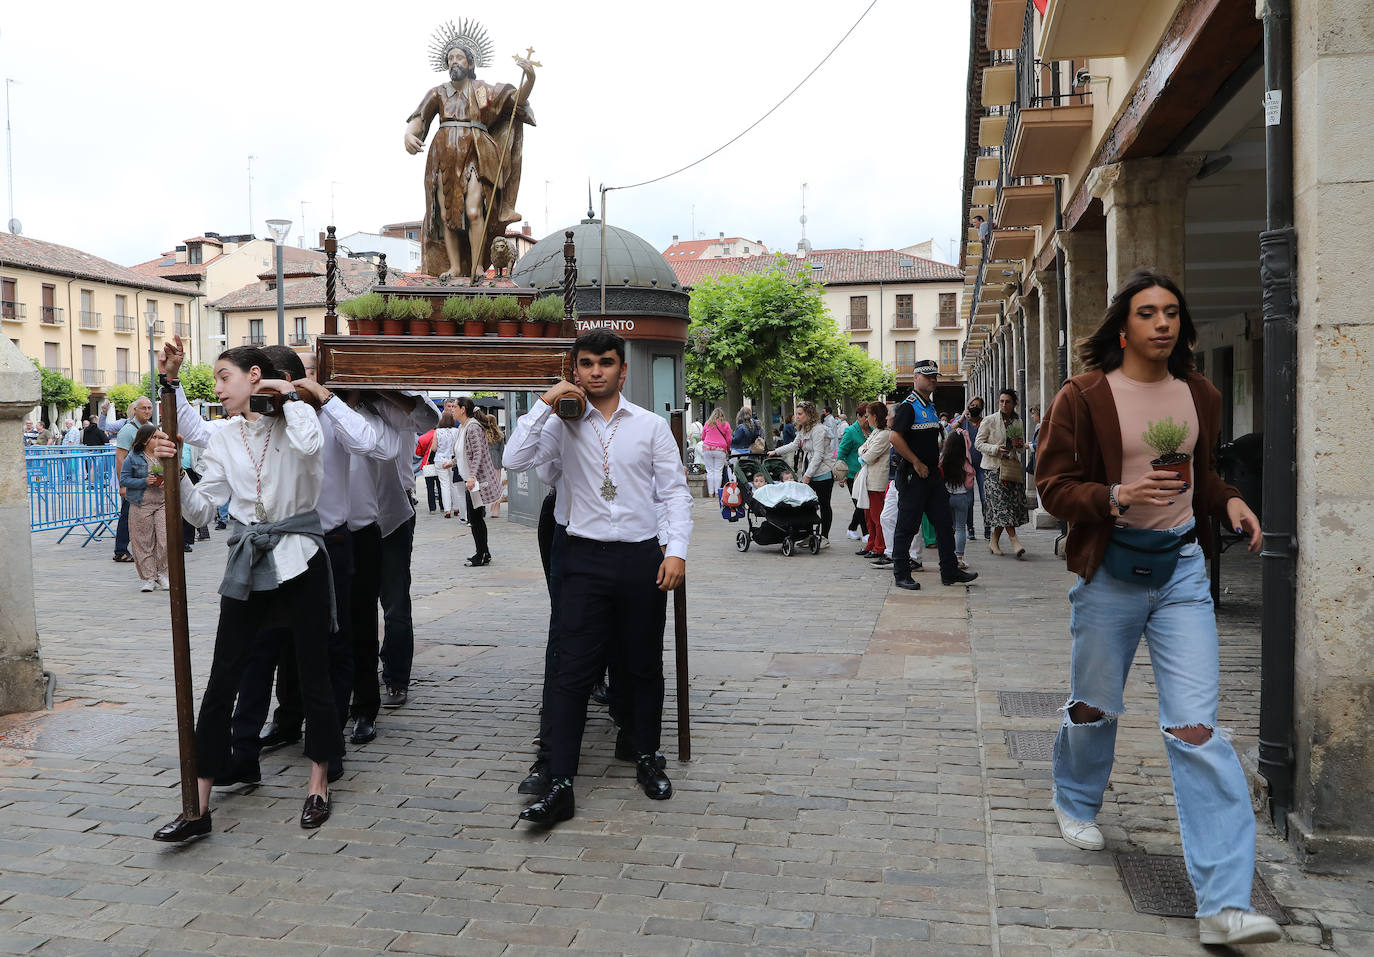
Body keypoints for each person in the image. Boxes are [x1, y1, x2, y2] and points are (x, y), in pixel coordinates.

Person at [1036, 269, 1275, 947]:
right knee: (1094, 704)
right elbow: (1052, 485)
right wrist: (1114, 496)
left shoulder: (1200, 392)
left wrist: (1226, 497)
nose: (1163, 323)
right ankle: (1076, 798)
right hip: (1109, 570)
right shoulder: (1085, 395)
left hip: (1182, 572)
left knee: (1197, 727)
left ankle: (1224, 902)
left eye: (1172, 312)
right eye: (1148, 313)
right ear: (1124, 327)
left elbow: (1198, 475)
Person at [148, 346, 342, 841]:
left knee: (314, 673)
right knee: (221, 682)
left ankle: (318, 783)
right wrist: (176, 473)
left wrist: (286, 392)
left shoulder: (297, 422)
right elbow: (201, 510)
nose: (217, 388)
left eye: (223, 377)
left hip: (301, 559)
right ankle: (199, 804)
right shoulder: (222, 437)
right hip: (247, 564)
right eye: (214, 379)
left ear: (254, 377)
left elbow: (310, 445)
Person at [505, 329, 692, 826]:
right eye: (585, 363)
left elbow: (674, 493)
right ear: (575, 369)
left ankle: (648, 756)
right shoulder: (561, 423)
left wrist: (676, 552)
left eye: (605, 363)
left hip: (639, 558)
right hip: (582, 558)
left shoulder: (650, 426)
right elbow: (513, 459)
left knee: (642, 665)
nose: (595, 372)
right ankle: (561, 781)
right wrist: (547, 402)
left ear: (621, 370)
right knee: (572, 671)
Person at [404, 21, 536, 281]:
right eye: (450, 58)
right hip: (443, 155)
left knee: (475, 210)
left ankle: (477, 266)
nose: (454, 62)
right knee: (446, 215)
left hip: (476, 151)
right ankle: (454, 267)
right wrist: (409, 134)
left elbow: (517, 101)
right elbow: (419, 119)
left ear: (470, 63)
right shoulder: (438, 93)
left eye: (459, 57)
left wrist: (530, 79)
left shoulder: (485, 90)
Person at [889, 361, 978, 591]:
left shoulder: (928, 406)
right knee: (907, 526)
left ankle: (949, 571)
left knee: (944, 523)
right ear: (915, 378)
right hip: (914, 475)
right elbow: (895, 438)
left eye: (934, 377)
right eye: (927, 376)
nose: (932, 380)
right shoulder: (908, 407)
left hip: (932, 476)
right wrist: (916, 462)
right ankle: (901, 574)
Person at [770, 401, 836, 548]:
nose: (797, 417)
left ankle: (824, 537)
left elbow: (818, 455)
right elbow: (794, 445)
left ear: (809, 414)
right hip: (810, 471)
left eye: (800, 414)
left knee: (824, 505)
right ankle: (808, 535)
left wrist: (807, 476)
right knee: (806, 505)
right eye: (797, 414)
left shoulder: (819, 430)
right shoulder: (803, 429)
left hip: (823, 473)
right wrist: (776, 452)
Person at [975, 388, 1030, 559]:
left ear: (1014, 404)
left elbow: (1019, 449)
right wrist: (995, 449)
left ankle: (994, 540)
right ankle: (1015, 542)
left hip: (1011, 468)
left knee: (1007, 507)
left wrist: (1020, 445)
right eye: (1001, 401)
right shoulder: (990, 420)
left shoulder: (1018, 421)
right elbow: (978, 443)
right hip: (993, 469)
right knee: (1003, 505)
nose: (1004, 404)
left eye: (1007, 402)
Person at [119, 424, 170, 592]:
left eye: (158, 437)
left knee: (164, 539)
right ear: (145, 439)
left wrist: (167, 481)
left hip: (162, 502)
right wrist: (143, 481)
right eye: (154, 437)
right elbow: (124, 479)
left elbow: (176, 474)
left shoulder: (164, 455)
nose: (157, 440)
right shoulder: (133, 457)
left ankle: (163, 573)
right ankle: (149, 577)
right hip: (141, 503)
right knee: (143, 541)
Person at [454, 397, 500, 567]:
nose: (452, 410)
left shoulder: (472, 427)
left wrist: (472, 476)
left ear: (463, 409)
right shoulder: (464, 427)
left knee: (476, 519)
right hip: (471, 480)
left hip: (476, 482)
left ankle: (481, 554)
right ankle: (484, 552)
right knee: (476, 518)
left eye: (455, 407)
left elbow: (478, 453)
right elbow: (463, 453)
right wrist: (451, 463)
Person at [111, 397, 155, 564]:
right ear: (135, 410)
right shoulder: (127, 430)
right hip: (133, 479)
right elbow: (120, 458)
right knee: (128, 514)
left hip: (148, 478)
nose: (147, 411)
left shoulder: (150, 427)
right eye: (143, 408)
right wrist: (122, 485)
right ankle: (120, 550)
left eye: (149, 408)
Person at [857, 402, 892, 561]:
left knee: (877, 517)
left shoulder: (885, 434)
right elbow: (862, 450)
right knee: (868, 515)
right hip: (868, 479)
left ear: (875, 416)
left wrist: (865, 455)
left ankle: (879, 547)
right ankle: (871, 544)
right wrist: (864, 455)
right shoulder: (876, 432)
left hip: (877, 481)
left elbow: (867, 456)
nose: (866, 418)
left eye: (868, 415)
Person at [949, 398, 987, 540]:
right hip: (967, 466)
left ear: (982, 407)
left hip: (983, 465)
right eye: (972, 405)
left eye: (977, 406)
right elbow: (950, 429)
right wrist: (963, 415)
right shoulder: (963, 421)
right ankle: (970, 528)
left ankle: (987, 527)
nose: (974, 408)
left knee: (985, 498)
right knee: (969, 500)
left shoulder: (985, 422)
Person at [940, 422, 976, 569]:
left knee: (950, 528)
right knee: (961, 528)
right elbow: (970, 482)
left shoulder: (943, 459)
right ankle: (959, 558)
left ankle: (948, 557)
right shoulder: (965, 461)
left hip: (947, 496)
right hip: (962, 497)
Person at [837, 404, 870, 541]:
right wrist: (841, 475)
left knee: (864, 504)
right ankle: (866, 533)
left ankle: (851, 528)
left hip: (868, 474)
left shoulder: (873, 430)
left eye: (870, 416)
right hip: (853, 475)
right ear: (858, 416)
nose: (868, 420)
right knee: (860, 504)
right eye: (865, 417)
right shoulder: (850, 431)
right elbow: (841, 453)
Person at [699, 407, 732, 499]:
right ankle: (717, 493)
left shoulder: (707, 423)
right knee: (718, 471)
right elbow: (729, 439)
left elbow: (702, 437)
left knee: (710, 471)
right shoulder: (725, 424)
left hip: (707, 448)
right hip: (720, 449)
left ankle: (710, 493)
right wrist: (727, 448)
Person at [433, 412, 460, 517]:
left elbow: (434, 448)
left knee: (444, 485)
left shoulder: (437, 432)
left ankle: (447, 510)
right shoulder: (457, 431)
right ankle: (456, 508)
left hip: (440, 460)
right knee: (454, 485)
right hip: (453, 460)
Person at [415, 428, 440, 513]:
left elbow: (418, 453)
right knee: (441, 486)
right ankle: (443, 505)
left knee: (430, 487)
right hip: (439, 463)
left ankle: (432, 508)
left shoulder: (422, 438)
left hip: (428, 464)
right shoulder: (439, 434)